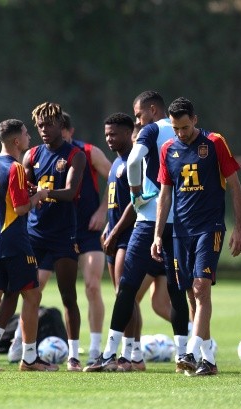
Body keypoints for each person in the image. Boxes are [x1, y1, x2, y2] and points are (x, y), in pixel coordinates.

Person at [85, 91, 190, 372]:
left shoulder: (152, 130)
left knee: (127, 288)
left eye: (139, 114)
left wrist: (135, 193)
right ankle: (184, 356)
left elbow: (133, 163)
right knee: (176, 290)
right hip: (178, 221)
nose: (137, 120)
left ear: (153, 110)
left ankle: (108, 354)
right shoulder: (189, 132)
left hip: (148, 220)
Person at [153, 97, 241, 376]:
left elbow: (235, 186)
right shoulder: (168, 149)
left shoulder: (215, 143)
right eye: (175, 128)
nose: (180, 133)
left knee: (201, 287)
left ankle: (190, 352)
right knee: (193, 296)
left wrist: (239, 227)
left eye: (184, 127)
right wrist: (158, 235)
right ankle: (209, 360)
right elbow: (165, 195)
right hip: (181, 231)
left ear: (195, 119)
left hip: (210, 227)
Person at [0, 118, 56, 372]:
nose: (30, 137)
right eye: (27, 134)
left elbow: (4, 201)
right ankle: (29, 358)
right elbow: (19, 209)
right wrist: (39, 195)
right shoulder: (16, 167)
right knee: (32, 295)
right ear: (17, 140)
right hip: (13, 241)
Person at [21, 102, 86, 371]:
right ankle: (28, 353)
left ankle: (73, 355)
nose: (44, 130)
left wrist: (45, 192)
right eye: (39, 126)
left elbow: (70, 192)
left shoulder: (75, 155)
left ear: (61, 124)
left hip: (63, 234)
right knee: (27, 294)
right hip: (34, 233)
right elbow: (23, 189)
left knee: (68, 295)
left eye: (49, 124)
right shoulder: (31, 155)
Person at [61, 112, 111, 363]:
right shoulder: (41, 155)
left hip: (89, 231)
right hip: (59, 232)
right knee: (35, 285)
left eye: (61, 130)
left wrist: (103, 211)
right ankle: (23, 345)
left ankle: (94, 347)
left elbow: (116, 180)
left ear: (69, 131)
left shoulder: (89, 152)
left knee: (92, 286)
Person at [99, 113, 145, 371]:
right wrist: (108, 226)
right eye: (106, 134)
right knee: (124, 296)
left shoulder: (134, 162)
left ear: (129, 133)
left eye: (114, 134)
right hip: (114, 234)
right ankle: (135, 355)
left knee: (124, 295)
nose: (109, 138)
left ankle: (129, 356)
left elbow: (135, 203)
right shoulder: (116, 163)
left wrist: (115, 231)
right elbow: (115, 202)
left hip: (128, 235)